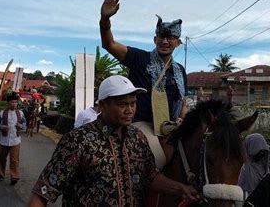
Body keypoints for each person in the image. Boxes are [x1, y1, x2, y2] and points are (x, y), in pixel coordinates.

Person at [27, 75, 198, 206]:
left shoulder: (138, 138)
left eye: (133, 103)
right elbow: (43, 192)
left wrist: (181, 189)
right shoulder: (78, 141)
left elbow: (149, 177)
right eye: (122, 104)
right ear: (102, 106)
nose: (130, 110)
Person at [99, 0, 187, 130]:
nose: (165, 41)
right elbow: (110, 45)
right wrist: (105, 20)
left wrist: (182, 119)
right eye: (161, 37)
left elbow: (183, 103)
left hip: (171, 126)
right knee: (155, 151)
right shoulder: (140, 58)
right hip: (142, 125)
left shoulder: (180, 71)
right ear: (154, 39)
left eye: (170, 38)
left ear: (178, 43)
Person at [0, 92, 26, 186]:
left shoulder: (21, 113)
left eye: (15, 102)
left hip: (15, 140)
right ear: (8, 103)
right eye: (12, 102)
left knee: (14, 160)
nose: (14, 104)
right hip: (3, 140)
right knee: (2, 159)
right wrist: (1, 127)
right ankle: (1, 175)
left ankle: (14, 177)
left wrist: (21, 126)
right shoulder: (1, 113)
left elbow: (25, 125)